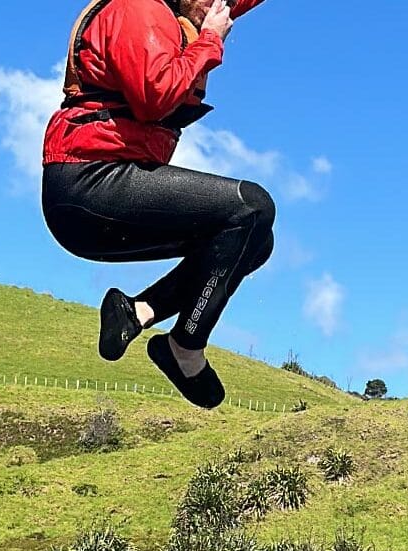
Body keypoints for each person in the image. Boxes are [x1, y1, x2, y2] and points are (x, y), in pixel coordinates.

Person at [41, 0, 274, 410]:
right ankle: (185, 347)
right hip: (88, 183)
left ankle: (138, 311)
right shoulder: (138, 6)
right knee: (252, 207)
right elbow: (156, 94)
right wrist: (209, 42)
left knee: (254, 241)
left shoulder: (185, 6)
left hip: (110, 184)